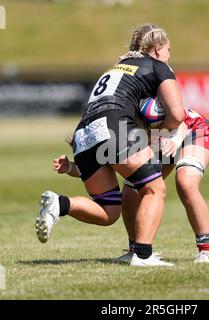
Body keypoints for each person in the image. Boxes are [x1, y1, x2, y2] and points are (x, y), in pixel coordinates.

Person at [35, 23, 185, 267]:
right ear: (157, 49)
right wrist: (163, 134)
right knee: (154, 188)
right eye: (168, 49)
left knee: (108, 210)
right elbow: (177, 114)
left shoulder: (115, 68)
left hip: (83, 133)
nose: (170, 55)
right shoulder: (159, 66)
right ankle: (143, 255)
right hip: (114, 126)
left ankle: (60, 203)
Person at [54, 105, 209, 264]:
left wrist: (174, 142)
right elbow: (99, 169)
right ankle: (136, 250)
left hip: (193, 131)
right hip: (159, 141)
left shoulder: (139, 109)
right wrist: (70, 167)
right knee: (130, 193)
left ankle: (207, 249)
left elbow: (180, 121)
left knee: (185, 183)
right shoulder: (113, 130)